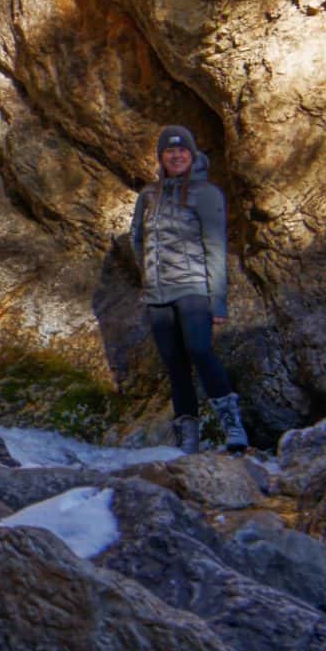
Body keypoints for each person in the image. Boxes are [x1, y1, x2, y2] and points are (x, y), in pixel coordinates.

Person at [127, 125, 249, 453]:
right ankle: (189, 439)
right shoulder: (148, 196)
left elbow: (216, 247)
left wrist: (218, 301)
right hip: (157, 295)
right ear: (161, 157)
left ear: (192, 155)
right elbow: (136, 238)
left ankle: (232, 425)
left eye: (183, 151)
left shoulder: (206, 194)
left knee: (199, 349)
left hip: (193, 288)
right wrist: (148, 272)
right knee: (174, 363)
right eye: (170, 151)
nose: (177, 155)